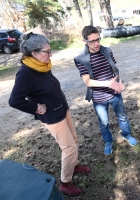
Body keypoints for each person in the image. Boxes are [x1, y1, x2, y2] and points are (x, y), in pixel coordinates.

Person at [8, 32, 91, 197]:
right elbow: (14, 100)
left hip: (62, 108)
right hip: (52, 117)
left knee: (74, 140)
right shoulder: (25, 73)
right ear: (35, 53)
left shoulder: (42, 65)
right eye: (47, 51)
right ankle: (65, 183)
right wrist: (36, 107)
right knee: (68, 148)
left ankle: (74, 165)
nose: (51, 54)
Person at [74, 25, 137, 156]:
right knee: (104, 122)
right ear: (85, 41)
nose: (96, 44)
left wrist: (119, 82)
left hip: (115, 94)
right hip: (98, 98)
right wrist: (108, 84)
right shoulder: (81, 59)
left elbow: (115, 70)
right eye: (92, 41)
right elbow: (87, 81)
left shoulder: (107, 51)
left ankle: (126, 134)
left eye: (98, 39)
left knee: (123, 117)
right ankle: (108, 141)